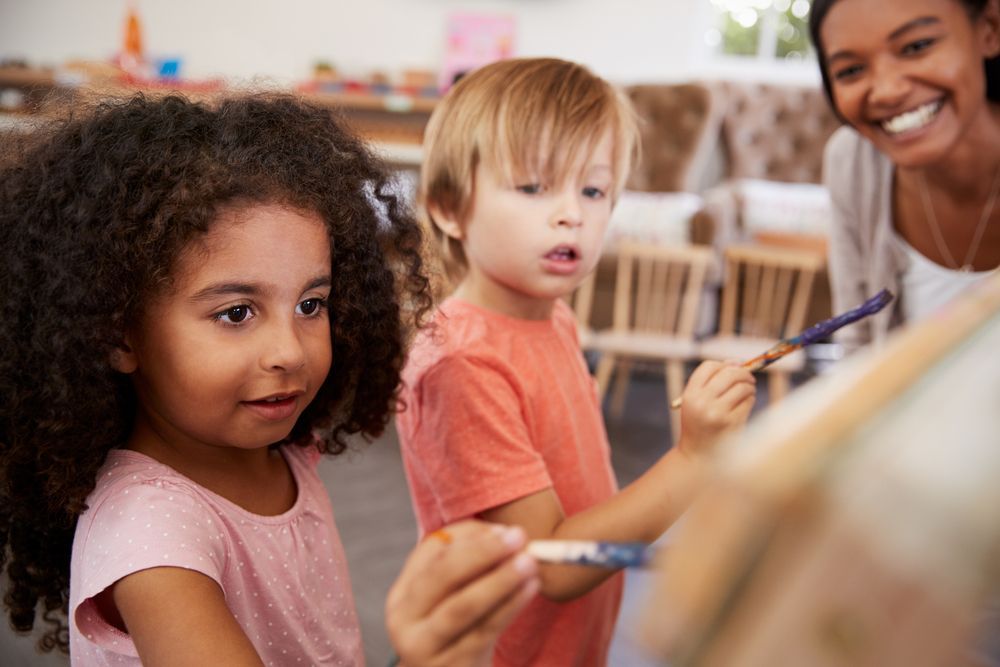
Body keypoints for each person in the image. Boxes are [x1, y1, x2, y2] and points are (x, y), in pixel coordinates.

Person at [0, 93, 540, 666]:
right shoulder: (152, 541)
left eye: (311, 304)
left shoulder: (284, 451)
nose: (289, 351)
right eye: (236, 313)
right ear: (117, 334)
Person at [396, 57, 757, 666]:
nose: (573, 213)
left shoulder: (553, 315)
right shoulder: (461, 364)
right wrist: (694, 457)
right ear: (450, 208)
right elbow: (557, 562)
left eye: (593, 189)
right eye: (534, 187)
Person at [809, 0, 1000, 353]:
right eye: (851, 70)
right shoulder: (852, 162)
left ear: (990, 29)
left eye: (917, 46)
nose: (887, 91)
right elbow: (857, 346)